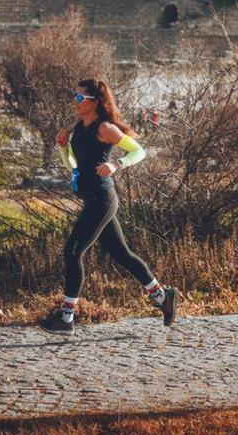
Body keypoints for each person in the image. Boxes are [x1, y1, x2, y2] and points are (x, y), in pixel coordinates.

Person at [39, 79, 178, 335]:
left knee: (72, 252)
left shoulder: (104, 128)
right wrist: (63, 149)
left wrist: (117, 165)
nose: (75, 102)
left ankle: (66, 318)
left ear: (94, 102)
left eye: (80, 98)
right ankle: (163, 297)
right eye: (74, 96)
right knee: (121, 254)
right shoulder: (78, 128)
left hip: (102, 200)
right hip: (92, 200)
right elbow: (74, 167)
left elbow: (139, 151)